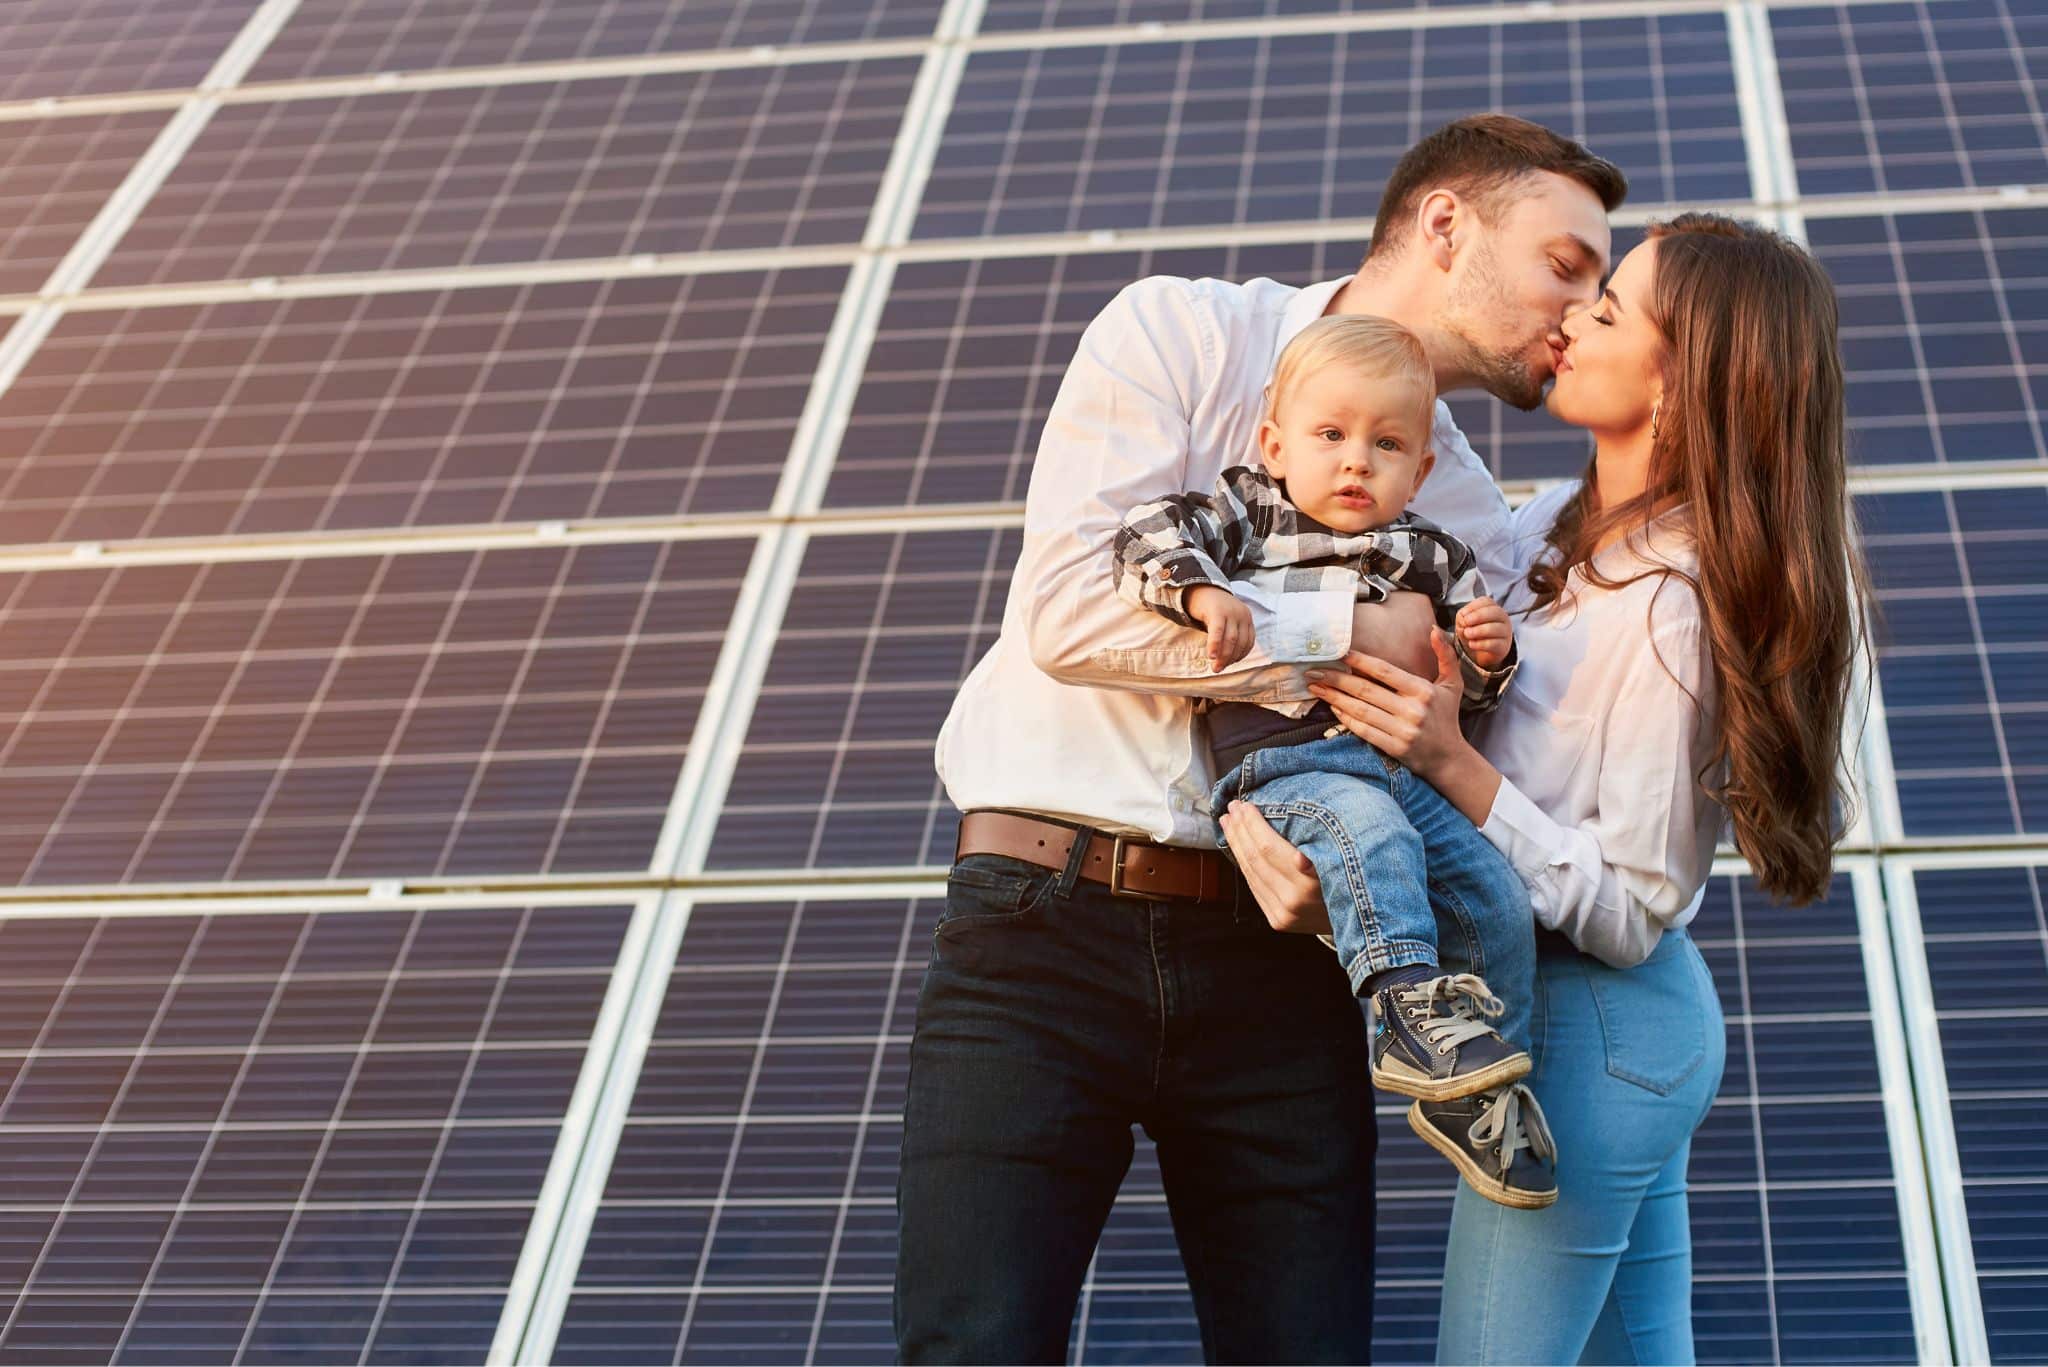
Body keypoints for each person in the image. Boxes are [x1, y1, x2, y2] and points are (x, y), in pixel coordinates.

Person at [897, 113, 1623, 1364]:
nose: (1582, 308)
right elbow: (1070, 613)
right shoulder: (1178, 334)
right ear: (1444, 224)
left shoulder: (1464, 514)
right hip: (1042, 923)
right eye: (1564, 264)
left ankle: (1470, 1070)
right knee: (975, 1344)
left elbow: (1445, 731)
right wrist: (1352, 626)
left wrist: (1458, 672)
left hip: (1285, 964)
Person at [1229, 213, 1864, 1363]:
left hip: (1599, 1022)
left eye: (1608, 310)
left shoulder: (1666, 605)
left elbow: (1630, 907)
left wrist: (1450, 762)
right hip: (1576, 1020)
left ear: (1675, 382)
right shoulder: (1541, 534)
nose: (1571, 319)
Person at [1110, 313, 1556, 1208]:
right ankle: (1405, 1011)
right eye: (1330, 435)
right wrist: (1201, 594)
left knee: (1496, 897)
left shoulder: (1435, 555)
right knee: (1371, 833)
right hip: (1287, 768)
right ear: (1276, 444)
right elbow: (1145, 534)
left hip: (1403, 766)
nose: (1356, 462)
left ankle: (1481, 1084)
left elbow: (1463, 698)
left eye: (1386, 445)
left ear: (1418, 471)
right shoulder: (1250, 511)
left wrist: (1485, 655)